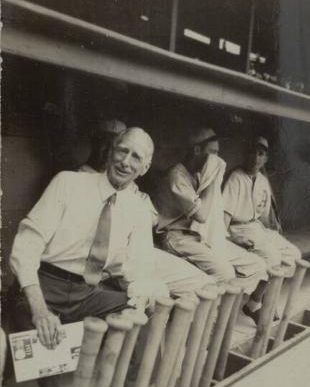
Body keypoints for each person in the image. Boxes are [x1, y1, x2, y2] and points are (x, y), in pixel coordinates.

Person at [9, 127, 167, 387]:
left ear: (144, 168)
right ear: (111, 150)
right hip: (47, 282)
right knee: (32, 322)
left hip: (88, 292)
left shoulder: (136, 208)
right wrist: (40, 308)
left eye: (136, 157)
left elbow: (139, 266)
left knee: (142, 316)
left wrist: (141, 296)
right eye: (122, 150)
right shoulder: (68, 183)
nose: (125, 161)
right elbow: (26, 245)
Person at [79, 119, 215, 298]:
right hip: (111, 258)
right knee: (157, 294)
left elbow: (152, 216)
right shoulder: (80, 177)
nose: (106, 151)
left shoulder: (125, 182)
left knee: (204, 284)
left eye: (114, 145)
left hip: (140, 252)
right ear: (94, 143)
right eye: (103, 143)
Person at [155, 127, 268, 307]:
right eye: (213, 153)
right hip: (175, 237)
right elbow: (201, 215)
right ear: (197, 150)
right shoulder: (176, 176)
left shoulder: (200, 174)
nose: (217, 159)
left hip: (199, 235)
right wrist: (214, 179)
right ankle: (205, 318)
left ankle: (241, 308)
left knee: (256, 264)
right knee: (225, 273)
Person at [223, 136, 301, 274]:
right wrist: (232, 238)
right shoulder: (235, 177)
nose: (255, 158)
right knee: (272, 258)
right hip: (237, 228)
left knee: (293, 253)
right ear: (245, 154)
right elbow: (224, 220)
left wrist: (272, 235)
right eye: (252, 152)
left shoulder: (263, 181)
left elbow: (264, 218)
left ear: (266, 159)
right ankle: (260, 295)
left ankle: (271, 292)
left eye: (260, 154)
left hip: (257, 228)